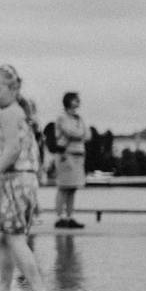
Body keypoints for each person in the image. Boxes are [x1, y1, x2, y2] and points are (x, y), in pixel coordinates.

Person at [0, 65, 49, 291]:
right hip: (19, 182)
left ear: (14, 88)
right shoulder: (16, 113)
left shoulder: (10, 113)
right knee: (2, 235)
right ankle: (5, 288)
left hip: (15, 181)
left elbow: (12, 149)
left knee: (15, 237)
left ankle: (37, 289)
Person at [53, 91, 88, 229]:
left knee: (73, 188)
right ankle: (59, 217)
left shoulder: (79, 118)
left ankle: (70, 216)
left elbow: (87, 133)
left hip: (78, 153)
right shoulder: (62, 117)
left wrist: (80, 133)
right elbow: (71, 132)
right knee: (63, 187)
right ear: (68, 101)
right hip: (65, 154)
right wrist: (80, 133)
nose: (78, 102)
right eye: (75, 99)